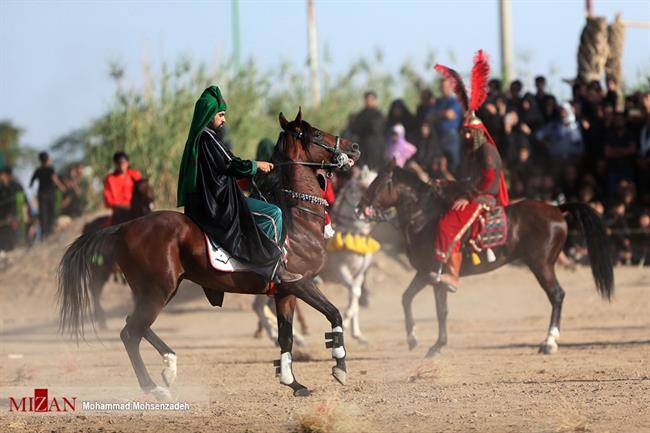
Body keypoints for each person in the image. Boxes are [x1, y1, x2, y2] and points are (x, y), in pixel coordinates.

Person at [178, 85, 301, 283]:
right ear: (209, 115)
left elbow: (227, 162)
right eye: (220, 115)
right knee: (273, 214)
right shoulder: (207, 138)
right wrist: (255, 166)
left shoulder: (203, 138)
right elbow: (229, 164)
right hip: (220, 203)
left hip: (212, 200)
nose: (224, 119)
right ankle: (271, 267)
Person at [431, 50, 509, 292]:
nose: (464, 135)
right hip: (475, 193)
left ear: (476, 132)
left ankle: (453, 276)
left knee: (447, 224)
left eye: (468, 132)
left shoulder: (486, 150)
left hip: (484, 198)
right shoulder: (473, 152)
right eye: (463, 131)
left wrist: (467, 196)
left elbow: (489, 179)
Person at [29, 151, 65, 239]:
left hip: (41, 195)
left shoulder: (38, 170)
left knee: (43, 215)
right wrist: (61, 187)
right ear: (47, 159)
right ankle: (51, 231)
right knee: (51, 213)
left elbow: (31, 183)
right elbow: (55, 179)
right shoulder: (50, 169)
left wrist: (32, 186)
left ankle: (44, 234)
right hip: (50, 194)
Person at [431, 77, 463, 172]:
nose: (443, 88)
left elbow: (450, 114)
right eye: (442, 87)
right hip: (438, 136)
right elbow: (430, 117)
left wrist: (438, 115)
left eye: (445, 86)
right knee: (438, 166)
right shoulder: (437, 102)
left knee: (453, 165)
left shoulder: (455, 101)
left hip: (451, 137)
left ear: (450, 88)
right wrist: (442, 114)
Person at [103, 151, 142, 225]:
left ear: (128, 163)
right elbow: (107, 200)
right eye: (119, 163)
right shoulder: (110, 179)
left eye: (123, 162)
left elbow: (142, 191)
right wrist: (120, 206)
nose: (121, 165)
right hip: (119, 213)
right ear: (115, 164)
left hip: (136, 210)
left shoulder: (135, 175)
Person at [350, 91, 386, 170]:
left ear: (374, 100)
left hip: (376, 148)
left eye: (370, 99)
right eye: (366, 99)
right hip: (362, 147)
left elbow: (374, 128)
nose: (367, 101)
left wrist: (363, 127)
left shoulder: (378, 114)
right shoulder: (361, 114)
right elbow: (355, 128)